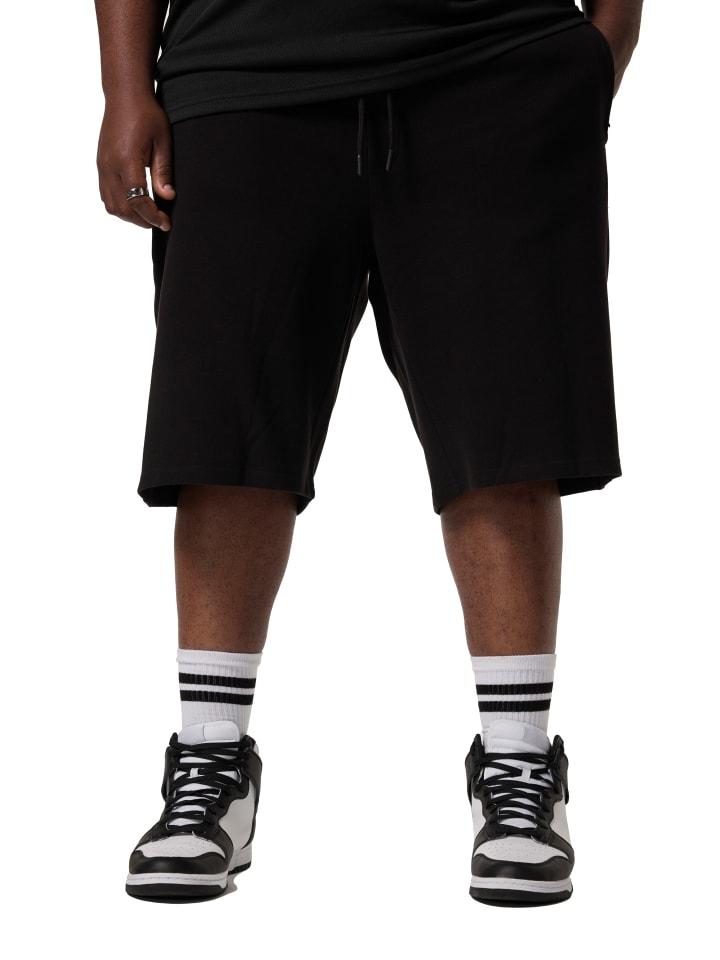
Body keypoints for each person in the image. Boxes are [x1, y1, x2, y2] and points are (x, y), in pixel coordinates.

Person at [95, 0, 642, 905]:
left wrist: (599, 52)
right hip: (242, 65)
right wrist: (124, 87)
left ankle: (518, 770)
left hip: (495, 55)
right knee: (225, 424)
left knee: (505, 426)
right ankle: (211, 762)